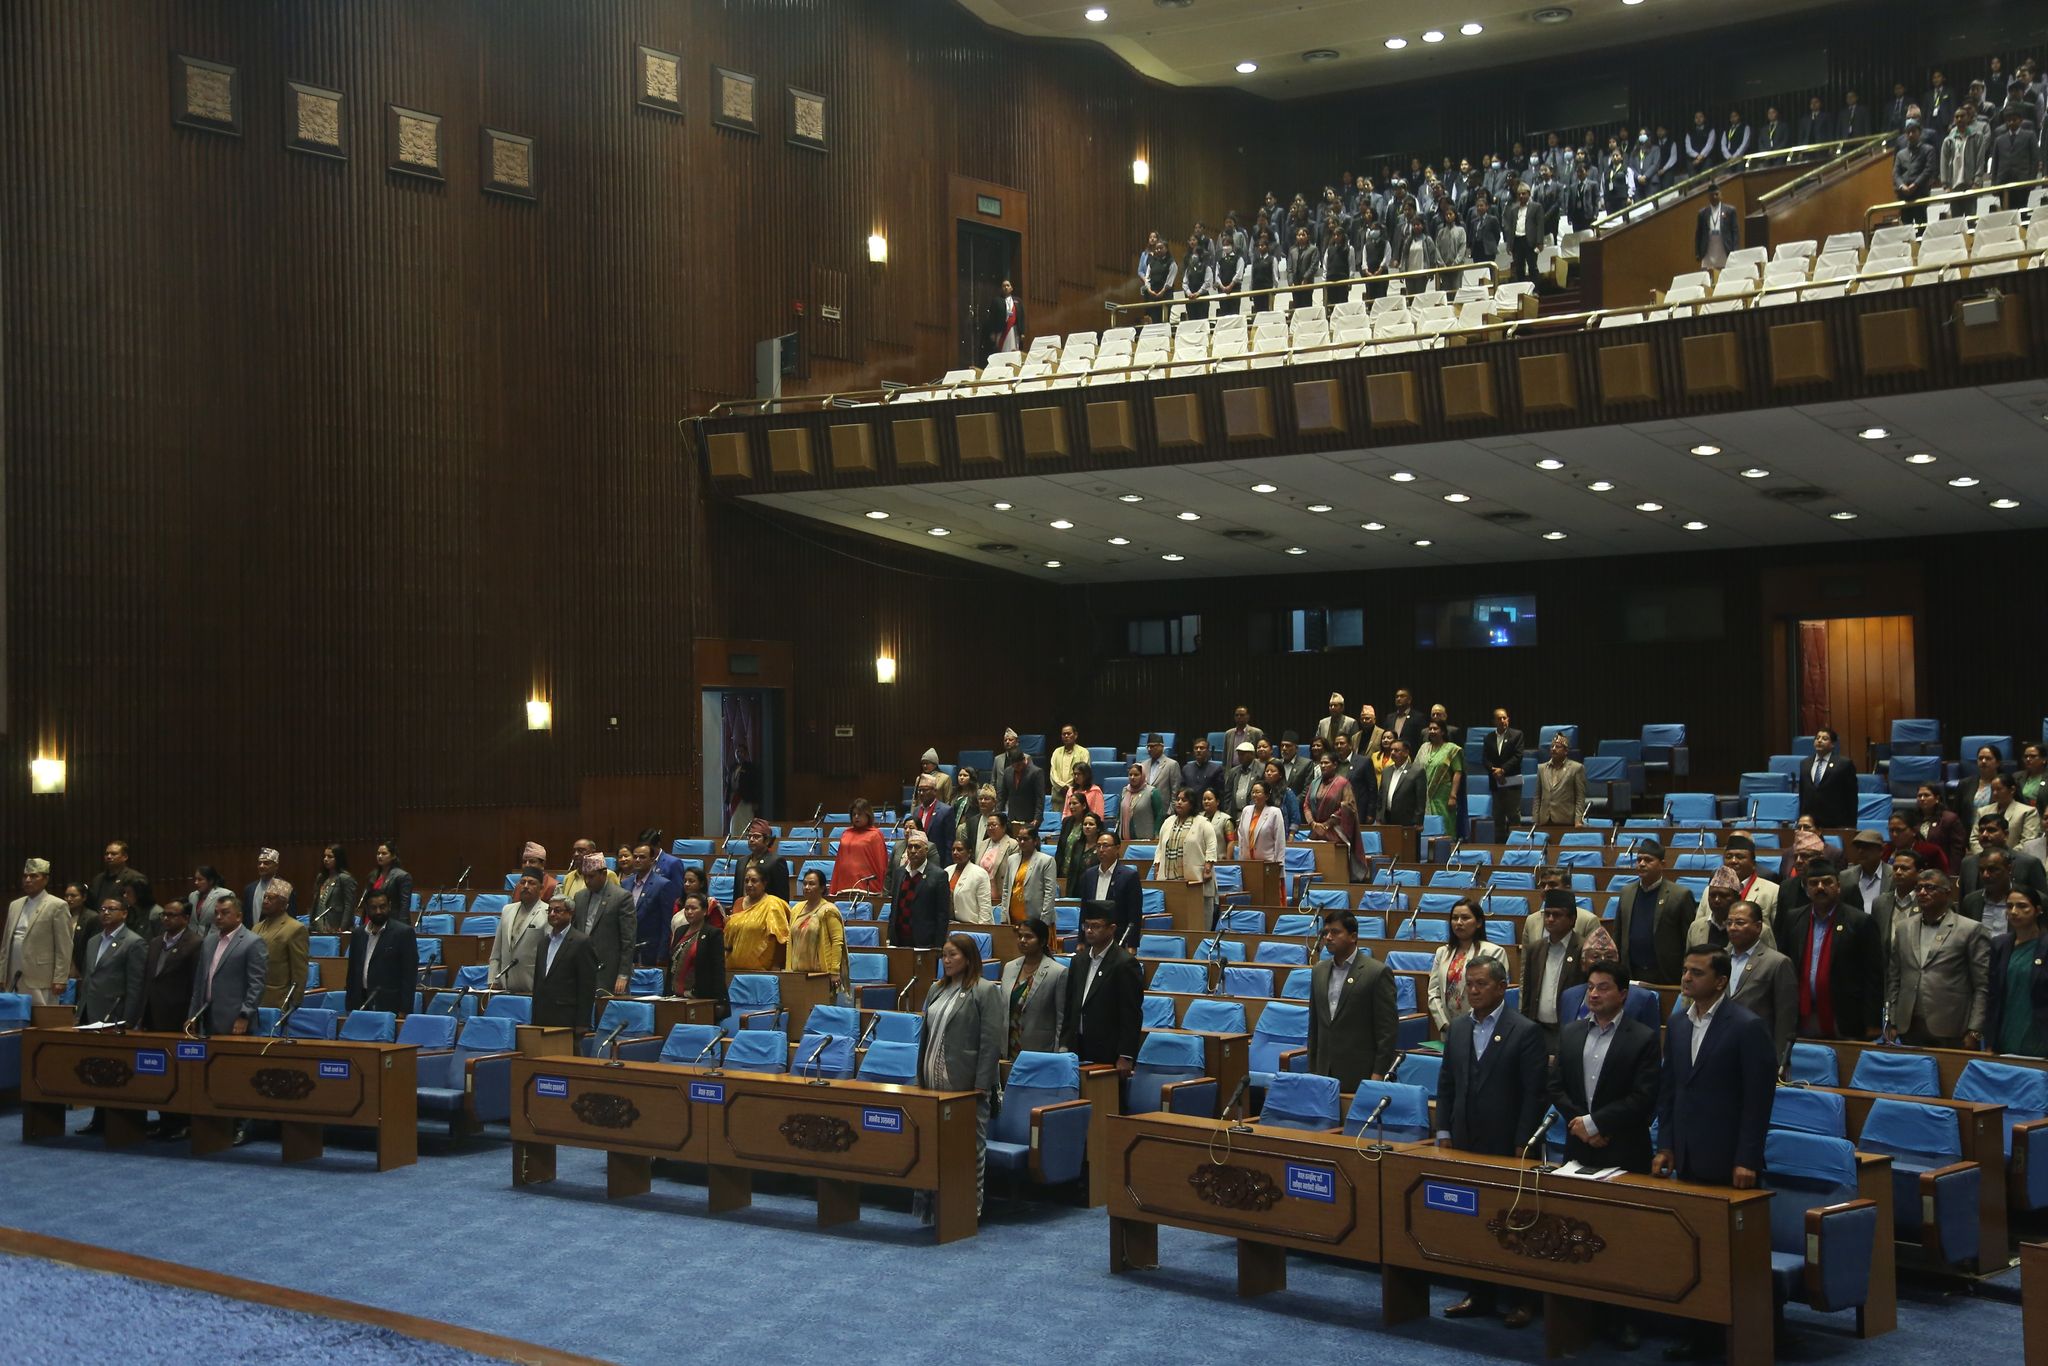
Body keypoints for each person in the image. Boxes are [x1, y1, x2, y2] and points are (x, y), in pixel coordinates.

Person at [1436, 957, 1546, 1328]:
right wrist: (1443, 1131)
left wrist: (1523, 1143)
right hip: (1465, 1139)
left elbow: (1534, 1094)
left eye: (1481, 984)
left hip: (1507, 1143)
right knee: (1473, 1217)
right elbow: (1447, 1084)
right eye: (1469, 984)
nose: (1473, 990)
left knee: (1514, 1221)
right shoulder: (1458, 1028)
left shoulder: (1525, 1031)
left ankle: (1522, 1299)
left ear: (1501, 987)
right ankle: (1479, 1293)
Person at [1655, 948, 1776, 1198]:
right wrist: (1665, 1145)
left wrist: (1747, 1159)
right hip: (1684, 1155)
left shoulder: (1748, 1026)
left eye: (1697, 972)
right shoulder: (1677, 1023)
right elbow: (1668, 1091)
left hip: (1728, 1158)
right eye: (1685, 970)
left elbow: (1758, 1102)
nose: (1687, 978)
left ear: (1720, 981)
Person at [918, 934, 1006, 1218]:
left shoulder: (984, 991)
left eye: (953, 955)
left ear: (968, 958)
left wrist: (982, 1084)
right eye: (944, 955)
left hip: (966, 1085)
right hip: (932, 1081)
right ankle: (933, 1210)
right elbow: (926, 1036)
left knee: (969, 1148)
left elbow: (991, 1042)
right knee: (932, 1146)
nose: (946, 960)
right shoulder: (936, 989)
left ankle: (969, 1210)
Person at [1549, 958, 1659, 1172]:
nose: (1594, 994)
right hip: (1578, 1145)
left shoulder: (1643, 1038)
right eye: (1590, 987)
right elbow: (1555, 1086)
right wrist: (1581, 1125)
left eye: (1603, 988)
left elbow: (1643, 1097)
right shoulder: (1570, 1033)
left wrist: (1595, 1124)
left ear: (1623, 994)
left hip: (1624, 1147)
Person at [1779, 857, 1882, 1040]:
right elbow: (1785, 965)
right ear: (1807, 889)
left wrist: (1872, 1022)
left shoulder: (1860, 922)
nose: (1820, 887)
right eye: (1813, 883)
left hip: (1845, 1016)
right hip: (1803, 1014)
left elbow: (1873, 976)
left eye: (1827, 882)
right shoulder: (1794, 919)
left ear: (1838, 886)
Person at [1886, 871, 1989, 1048]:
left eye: (1930, 887)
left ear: (1947, 893)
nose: (1922, 892)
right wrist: (1892, 1020)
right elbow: (1894, 978)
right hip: (1908, 1026)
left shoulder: (1971, 929)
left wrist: (1975, 1030)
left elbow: (1983, 985)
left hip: (1952, 1027)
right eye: (1919, 888)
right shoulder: (1903, 928)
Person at [1308, 911, 1397, 1088]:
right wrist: (1312, 1070)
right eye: (1325, 933)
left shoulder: (1376, 972)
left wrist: (1379, 1073)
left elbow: (1387, 1031)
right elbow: (1314, 1026)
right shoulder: (1318, 971)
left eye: (1335, 932)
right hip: (1323, 1073)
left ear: (1353, 937)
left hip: (1360, 1073)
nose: (1328, 937)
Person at [1526, 890, 1618, 1049]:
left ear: (1572, 919)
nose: (1550, 919)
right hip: (1537, 1028)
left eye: (1557, 915)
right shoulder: (1535, 948)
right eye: (1547, 914)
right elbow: (1528, 990)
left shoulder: (1585, 949)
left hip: (1569, 1028)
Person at [1061, 907, 1142, 1076]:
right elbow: (1070, 1005)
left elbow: (1131, 1013)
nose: (1089, 931)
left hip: (1108, 1050)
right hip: (1077, 1046)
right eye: (1087, 926)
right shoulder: (1078, 960)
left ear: (1111, 929)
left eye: (1096, 926)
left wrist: (1125, 1055)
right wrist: (1064, 1043)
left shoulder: (1124, 963)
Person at [1722, 900, 1796, 1068]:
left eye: (1740, 922)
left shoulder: (1777, 962)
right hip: (1720, 1048)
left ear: (1758, 927)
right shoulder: (1718, 958)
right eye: (1729, 922)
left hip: (1758, 1050)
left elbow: (1785, 1018)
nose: (1732, 927)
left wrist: (1779, 1061)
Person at [1612, 839, 1695, 984]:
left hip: (1666, 974)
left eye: (1648, 860)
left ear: (1662, 864)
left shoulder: (1680, 895)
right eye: (1639, 860)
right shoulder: (1626, 892)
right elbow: (1618, 934)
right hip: (1631, 973)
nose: (1642, 864)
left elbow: (1688, 939)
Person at [1428, 898, 1511, 1031]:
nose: (1459, 922)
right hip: (1449, 1028)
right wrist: (1444, 1024)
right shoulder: (1442, 952)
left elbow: (1494, 993)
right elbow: (1433, 992)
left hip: (1481, 1025)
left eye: (1465, 918)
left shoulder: (1493, 952)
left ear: (1478, 923)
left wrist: (1465, 1025)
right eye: (1455, 918)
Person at [189, 894, 266, 1037]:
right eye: (216, 913)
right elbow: (200, 982)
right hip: (206, 1018)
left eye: (225, 913)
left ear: (239, 916)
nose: (218, 917)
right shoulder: (209, 941)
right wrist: (193, 1015)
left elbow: (256, 985)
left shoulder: (253, 942)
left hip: (236, 1020)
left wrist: (244, 1015)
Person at [1988, 886, 2048, 1057]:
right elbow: (1992, 995)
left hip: (2039, 1033)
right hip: (2005, 1030)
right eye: (2009, 906)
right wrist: (1990, 1040)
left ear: (2038, 910)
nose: (2014, 912)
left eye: (2022, 906)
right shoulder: (2000, 945)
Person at [568, 852, 634, 999]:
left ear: (603, 874)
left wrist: (623, 974)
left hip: (610, 970)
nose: (587, 881)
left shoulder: (622, 897)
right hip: (583, 967)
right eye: (585, 876)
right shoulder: (580, 897)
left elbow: (628, 941)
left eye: (591, 877)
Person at [4, 858, 71, 1004]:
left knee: (42, 1015)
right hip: (14, 972)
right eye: (25, 876)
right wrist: (2, 974)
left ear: (45, 879)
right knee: (14, 1014)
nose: (28, 880)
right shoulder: (15, 905)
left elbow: (64, 946)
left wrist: (60, 978)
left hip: (41, 975)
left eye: (34, 876)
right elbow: (6, 943)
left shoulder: (57, 905)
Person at [1152, 788, 1217, 927]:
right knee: (1177, 920)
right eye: (1178, 799)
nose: (1179, 802)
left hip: (1196, 881)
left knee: (1200, 922)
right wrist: (1157, 868)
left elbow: (1211, 847)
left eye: (1184, 800)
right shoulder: (1168, 822)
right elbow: (1160, 848)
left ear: (1192, 804)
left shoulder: (1203, 823)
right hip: (1170, 880)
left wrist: (1207, 868)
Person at [532, 896, 597, 1035]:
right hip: (541, 1015)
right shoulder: (543, 943)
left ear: (570, 913)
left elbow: (587, 986)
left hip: (567, 1017)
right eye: (549, 910)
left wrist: (582, 1022)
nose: (552, 914)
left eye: (557, 910)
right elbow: (538, 981)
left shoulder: (582, 942)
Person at [346, 888, 418, 1014]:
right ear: (367, 909)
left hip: (389, 1004)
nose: (378, 911)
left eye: (382, 907)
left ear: (389, 906)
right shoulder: (358, 934)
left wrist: (404, 1010)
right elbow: (352, 972)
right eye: (373, 908)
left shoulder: (403, 933)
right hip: (360, 1001)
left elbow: (409, 976)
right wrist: (349, 1005)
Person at [78, 896, 146, 1027]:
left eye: (111, 909)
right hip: (87, 1011)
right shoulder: (93, 941)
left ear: (124, 913)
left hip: (113, 1013)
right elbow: (88, 976)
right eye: (103, 909)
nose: (106, 912)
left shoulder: (134, 942)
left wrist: (128, 1020)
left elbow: (135, 987)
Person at [669, 892, 729, 1022]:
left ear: (704, 911)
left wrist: (720, 1001)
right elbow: (672, 963)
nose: (689, 912)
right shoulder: (680, 931)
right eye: (687, 908)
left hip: (701, 997)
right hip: (676, 996)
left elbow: (718, 969)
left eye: (693, 908)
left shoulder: (713, 933)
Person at [1076, 831, 1142, 946]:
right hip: (1092, 939)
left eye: (1105, 845)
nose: (1101, 850)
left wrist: (1132, 944)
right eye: (1098, 846)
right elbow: (1084, 910)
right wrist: (1081, 940)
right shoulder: (1089, 875)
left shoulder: (1129, 876)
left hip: (1117, 939)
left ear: (1117, 848)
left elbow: (1134, 914)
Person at [787, 868, 847, 995]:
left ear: (822, 888)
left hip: (821, 974)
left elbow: (837, 941)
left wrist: (834, 971)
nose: (807, 887)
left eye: (812, 884)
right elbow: (790, 939)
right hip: (797, 973)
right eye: (804, 884)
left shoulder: (828, 910)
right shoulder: (796, 908)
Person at [724, 865, 792, 972]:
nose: (749, 884)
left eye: (754, 881)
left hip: (764, 970)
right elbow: (729, 938)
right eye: (746, 881)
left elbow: (781, 939)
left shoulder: (773, 904)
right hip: (733, 967)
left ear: (764, 883)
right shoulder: (738, 902)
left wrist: (777, 965)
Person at [620, 844, 677, 968]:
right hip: (626, 948)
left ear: (652, 860)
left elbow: (667, 922)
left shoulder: (663, 885)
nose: (637, 860)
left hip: (650, 950)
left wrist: (662, 953)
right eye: (635, 857)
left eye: (642, 857)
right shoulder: (625, 884)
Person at [491, 872, 550, 992]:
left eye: (531, 883)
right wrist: (493, 980)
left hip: (532, 984)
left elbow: (549, 954)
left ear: (541, 888)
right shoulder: (507, 910)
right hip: (505, 985)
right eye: (523, 882)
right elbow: (496, 950)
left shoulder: (547, 912)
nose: (526, 886)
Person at [251, 880, 307, 1009]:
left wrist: (294, 1002)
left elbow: (299, 971)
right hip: (253, 997)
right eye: (265, 897)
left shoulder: (295, 928)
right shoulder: (256, 927)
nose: (265, 901)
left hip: (278, 1000)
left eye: (271, 898)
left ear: (283, 904)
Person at [1796, 727, 1859, 829]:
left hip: (1835, 822)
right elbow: (1802, 794)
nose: (1819, 741)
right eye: (1817, 738)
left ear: (1833, 744)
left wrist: (1851, 824)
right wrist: (1801, 819)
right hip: (1810, 822)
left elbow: (1851, 796)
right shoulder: (1805, 763)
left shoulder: (1843, 764)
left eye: (1824, 738)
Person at [830, 797, 891, 897]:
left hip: (867, 886)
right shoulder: (846, 833)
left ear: (868, 815)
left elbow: (881, 863)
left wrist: (882, 889)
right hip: (844, 884)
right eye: (854, 814)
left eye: (859, 814)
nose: (856, 817)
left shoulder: (875, 834)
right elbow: (839, 862)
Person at [88, 840, 155, 932]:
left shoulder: (135, 878)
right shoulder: (98, 879)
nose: (109, 856)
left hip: (127, 926)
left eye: (113, 854)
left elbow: (142, 907)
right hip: (100, 927)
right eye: (107, 854)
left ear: (125, 857)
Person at [1530, 732, 1584, 827]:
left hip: (1565, 820)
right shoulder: (1541, 768)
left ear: (1566, 751)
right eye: (1552, 746)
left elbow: (1580, 797)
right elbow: (1537, 796)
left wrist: (1578, 820)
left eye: (1558, 747)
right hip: (1545, 820)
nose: (1554, 749)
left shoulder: (1576, 768)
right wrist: (1535, 819)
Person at [1419, 718, 1463, 831]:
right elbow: (1416, 769)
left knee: (1445, 823)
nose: (1432, 731)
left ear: (1443, 731)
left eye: (1435, 729)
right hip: (1424, 793)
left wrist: (1453, 796)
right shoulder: (1424, 748)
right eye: (1430, 729)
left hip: (1443, 794)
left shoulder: (1452, 749)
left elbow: (1458, 772)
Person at [1915, 783, 1968, 872]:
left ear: (1937, 799)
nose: (1922, 798)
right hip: (1919, 869)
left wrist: (1952, 873)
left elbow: (1957, 850)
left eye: (1926, 795)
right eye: (1919, 796)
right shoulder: (1913, 819)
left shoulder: (1949, 819)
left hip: (1942, 869)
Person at [734, 820, 791, 903]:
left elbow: (782, 897)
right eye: (749, 836)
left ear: (767, 840)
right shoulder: (741, 862)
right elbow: (737, 894)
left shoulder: (776, 862)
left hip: (767, 909)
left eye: (756, 837)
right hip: (743, 908)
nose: (751, 839)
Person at [943, 836, 994, 926]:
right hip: (949, 924)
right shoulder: (947, 871)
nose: (955, 852)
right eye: (953, 850)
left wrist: (983, 929)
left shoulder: (979, 873)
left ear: (969, 853)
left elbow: (985, 907)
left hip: (972, 925)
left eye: (959, 850)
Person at [1055, 804, 1104, 895]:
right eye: (1085, 824)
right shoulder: (1078, 845)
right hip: (1076, 889)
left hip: (1095, 889)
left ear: (1098, 828)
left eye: (1091, 824)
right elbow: (1071, 872)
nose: (1087, 826)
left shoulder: (1102, 847)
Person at [1893, 119, 1935, 222]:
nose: (1911, 134)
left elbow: (1928, 170)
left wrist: (1915, 184)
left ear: (1919, 132)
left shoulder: (1928, 150)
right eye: (1908, 132)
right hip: (1904, 195)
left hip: (1920, 193)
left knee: (1921, 226)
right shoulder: (1900, 154)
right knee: (1906, 228)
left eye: (1913, 131)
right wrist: (1902, 186)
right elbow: (1896, 173)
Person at [907, 775, 956, 863]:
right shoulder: (916, 811)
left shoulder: (946, 811)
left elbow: (950, 842)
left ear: (934, 791)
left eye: (925, 790)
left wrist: (947, 865)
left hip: (937, 860)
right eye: (919, 790)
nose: (921, 793)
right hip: (917, 860)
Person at [1480, 708, 1524, 808]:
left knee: (1513, 813)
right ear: (1494, 722)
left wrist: (1502, 770)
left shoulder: (1517, 735)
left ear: (1508, 719)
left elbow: (1518, 756)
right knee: (1497, 814)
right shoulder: (1488, 738)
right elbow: (1485, 758)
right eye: (1499, 718)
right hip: (1495, 781)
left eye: (1504, 718)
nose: (1502, 720)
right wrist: (1494, 771)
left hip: (1512, 780)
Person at [1378, 739, 1426, 828]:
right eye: (1391, 750)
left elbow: (1420, 800)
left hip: (1408, 822)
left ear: (1406, 753)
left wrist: (1418, 822)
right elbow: (1381, 796)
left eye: (1396, 750)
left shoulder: (1417, 771)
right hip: (1386, 820)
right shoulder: (1386, 771)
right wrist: (1379, 817)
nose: (1392, 753)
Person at [1238, 779, 1286, 866]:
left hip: (1267, 863)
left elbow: (1280, 841)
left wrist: (1279, 865)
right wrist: (1240, 860)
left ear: (1267, 796)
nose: (1254, 795)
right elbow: (1241, 837)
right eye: (1253, 792)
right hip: (1247, 861)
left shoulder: (1274, 812)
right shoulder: (1246, 810)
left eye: (1257, 792)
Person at [363, 842, 413, 926]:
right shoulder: (372, 875)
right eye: (378, 853)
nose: (380, 856)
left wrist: (402, 926)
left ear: (393, 856)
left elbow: (404, 905)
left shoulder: (402, 876)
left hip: (392, 920)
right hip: (372, 919)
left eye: (384, 853)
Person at [996, 748, 1047, 827]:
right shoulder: (1007, 772)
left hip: (1030, 818)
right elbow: (1002, 796)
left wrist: (1037, 818)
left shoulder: (1036, 772)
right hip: (1012, 817)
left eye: (1018, 765)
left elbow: (1040, 797)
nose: (1016, 767)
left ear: (1024, 760)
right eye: (1013, 765)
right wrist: (998, 814)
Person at [308, 846, 355, 932]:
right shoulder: (321, 877)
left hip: (335, 927)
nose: (326, 859)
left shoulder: (345, 878)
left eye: (330, 857)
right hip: (318, 927)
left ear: (338, 859)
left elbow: (349, 906)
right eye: (325, 856)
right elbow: (316, 903)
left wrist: (343, 927)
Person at [1117, 761, 1165, 840]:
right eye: (1130, 775)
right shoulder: (1125, 791)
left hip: (1145, 838)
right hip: (1125, 838)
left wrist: (1156, 833)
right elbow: (1119, 815)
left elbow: (1159, 815)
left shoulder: (1152, 792)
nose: (1132, 777)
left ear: (1142, 776)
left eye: (1136, 775)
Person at [1179, 736, 1225, 810]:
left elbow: (1220, 793)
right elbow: (1182, 790)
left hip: (1208, 809)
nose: (1198, 750)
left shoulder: (1216, 769)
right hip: (1190, 809)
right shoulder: (1186, 768)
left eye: (1202, 748)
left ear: (1208, 751)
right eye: (1196, 748)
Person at [1048, 723, 1084, 807]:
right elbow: (1053, 773)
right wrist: (1062, 786)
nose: (1066, 736)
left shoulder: (1083, 752)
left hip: (1076, 793)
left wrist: (1068, 787)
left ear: (1075, 735)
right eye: (1064, 734)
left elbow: (1083, 773)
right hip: (1058, 794)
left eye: (1069, 733)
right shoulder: (1056, 752)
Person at [986, 276, 1023, 357]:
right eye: (1004, 286)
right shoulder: (996, 301)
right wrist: (992, 332)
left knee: (1014, 352)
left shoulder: (1018, 301)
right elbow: (992, 318)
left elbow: (1021, 317)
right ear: (1001, 288)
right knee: (1002, 353)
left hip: (1014, 330)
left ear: (1011, 288)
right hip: (1001, 331)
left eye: (1008, 285)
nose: (1006, 287)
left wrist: (1022, 332)